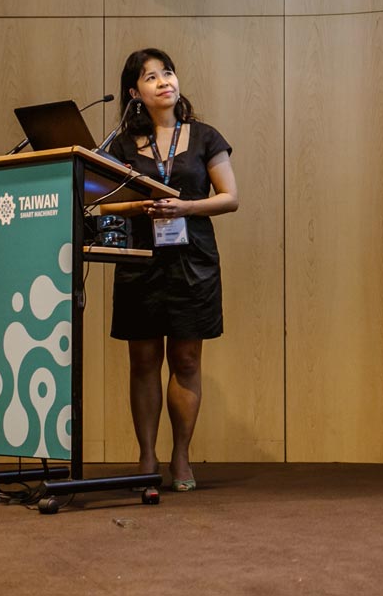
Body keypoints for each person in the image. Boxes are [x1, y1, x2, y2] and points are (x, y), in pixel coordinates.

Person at [102, 48, 238, 491]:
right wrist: (139, 206)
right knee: (143, 361)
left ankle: (181, 455)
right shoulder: (122, 145)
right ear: (134, 93)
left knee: (186, 359)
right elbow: (102, 203)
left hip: (192, 261)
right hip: (140, 261)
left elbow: (230, 197)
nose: (164, 82)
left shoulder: (205, 137)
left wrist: (185, 207)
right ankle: (146, 455)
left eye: (168, 73)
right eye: (151, 77)